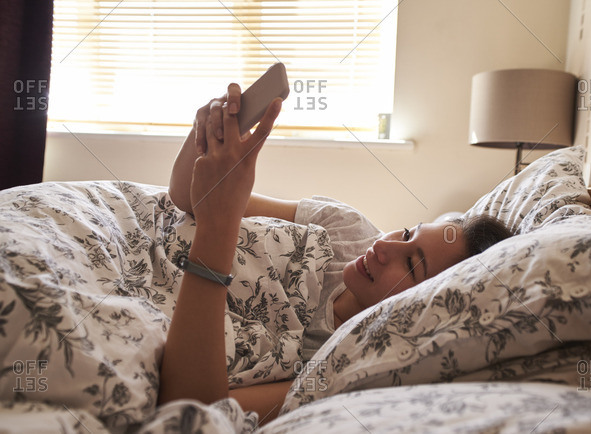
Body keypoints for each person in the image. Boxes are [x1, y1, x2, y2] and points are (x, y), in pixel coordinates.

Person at [157, 84, 512, 424]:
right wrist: (204, 136)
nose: (385, 247)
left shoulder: (344, 366)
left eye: (412, 265)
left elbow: (197, 411)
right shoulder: (346, 229)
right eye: (406, 233)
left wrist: (217, 229)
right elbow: (190, 199)